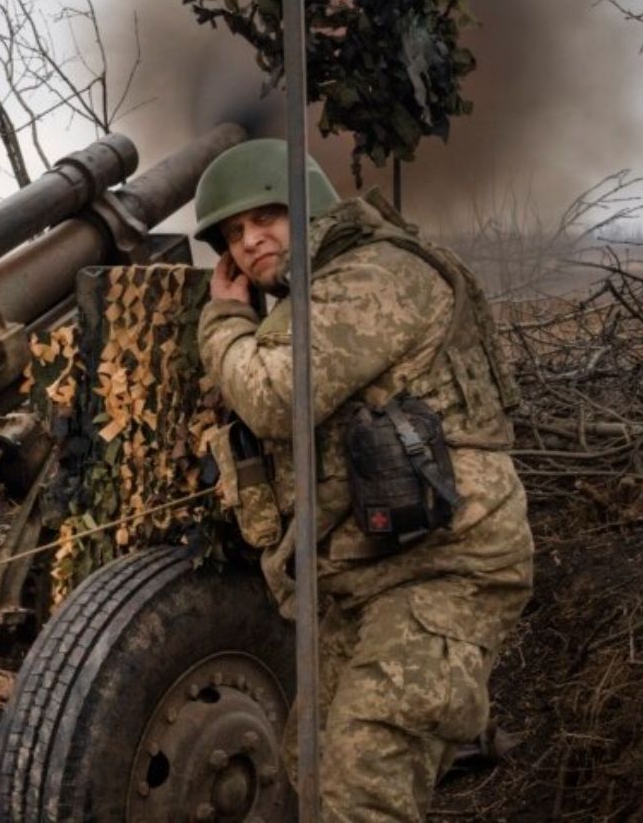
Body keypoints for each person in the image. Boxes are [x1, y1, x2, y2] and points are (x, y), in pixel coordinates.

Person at [192, 138, 534, 821]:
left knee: (360, 785)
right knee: (308, 770)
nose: (251, 241)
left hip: (446, 571)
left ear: (310, 207)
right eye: (234, 233)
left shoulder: (376, 278)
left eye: (266, 218)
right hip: (367, 577)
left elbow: (275, 395)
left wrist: (223, 320)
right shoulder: (318, 297)